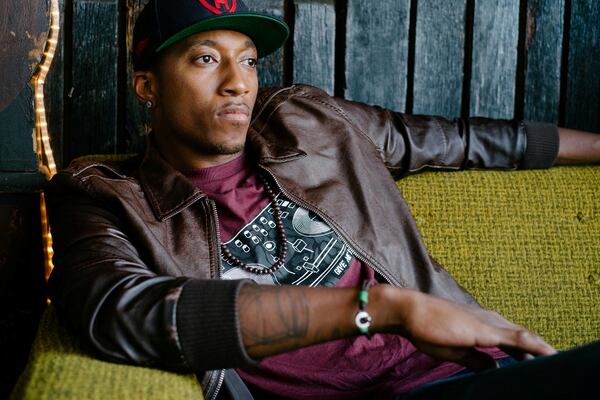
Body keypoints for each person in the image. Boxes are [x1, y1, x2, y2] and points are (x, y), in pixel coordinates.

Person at [45, 0, 600, 399]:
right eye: (206, 59)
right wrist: (390, 309)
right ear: (147, 86)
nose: (239, 82)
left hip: (474, 371)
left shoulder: (309, 122)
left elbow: (463, 141)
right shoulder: (104, 196)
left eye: (249, 60)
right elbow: (125, 312)